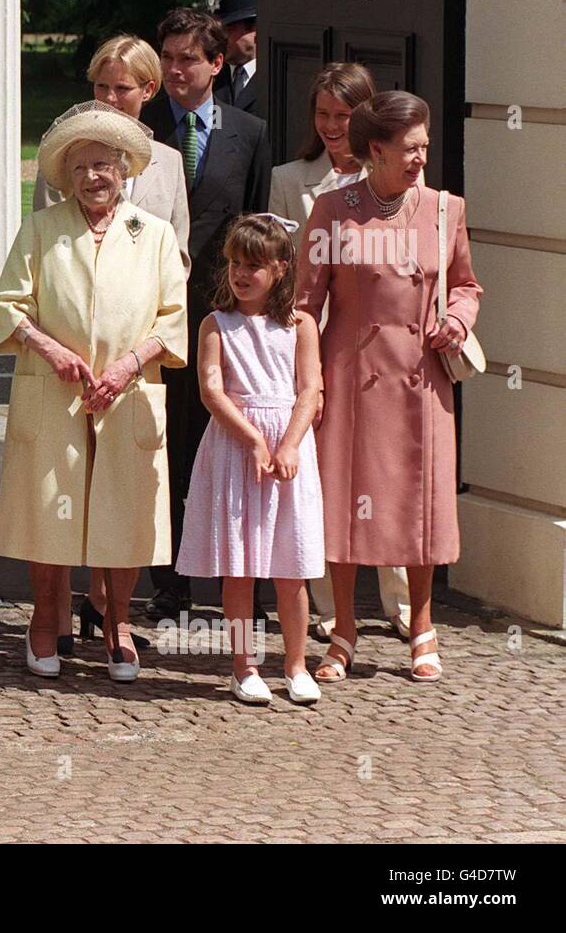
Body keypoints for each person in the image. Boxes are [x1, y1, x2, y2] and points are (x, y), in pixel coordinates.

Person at [0, 101, 188, 682]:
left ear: (125, 169)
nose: (93, 178)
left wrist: (130, 365)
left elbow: (173, 316)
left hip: (127, 392)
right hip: (55, 391)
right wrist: (51, 350)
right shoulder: (40, 229)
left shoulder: (152, 234)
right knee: (46, 507)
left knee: (125, 512)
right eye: (80, 168)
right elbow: (9, 308)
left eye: (103, 166)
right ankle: (45, 616)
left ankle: (118, 621)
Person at [296, 91, 482, 684]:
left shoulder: (443, 210)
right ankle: (344, 630)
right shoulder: (332, 209)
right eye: (409, 149)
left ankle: (422, 625)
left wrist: (456, 318)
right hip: (351, 376)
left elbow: (466, 286)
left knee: (418, 503)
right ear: (375, 149)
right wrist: (309, 381)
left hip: (421, 378)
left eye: (425, 147)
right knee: (347, 504)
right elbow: (305, 304)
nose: (420, 159)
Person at [32, 33, 189, 650]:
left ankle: (109, 608)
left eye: (120, 87)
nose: (107, 96)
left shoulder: (169, 164)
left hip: (136, 355)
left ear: (148, 91)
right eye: (99, 86)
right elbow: (51, 244)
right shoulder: (65, 149)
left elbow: (174, 249)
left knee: (124, 487)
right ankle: (62, 612)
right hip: (69, 364)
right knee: (67, 486)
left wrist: (135, 349)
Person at [270, 62, 412, 640]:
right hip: (314, 346)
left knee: (391, 471)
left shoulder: (399, 179)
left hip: (383, 349)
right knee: (324, 477)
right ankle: (330, 610)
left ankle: (401, 603)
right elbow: (281, 270)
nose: (331, 126)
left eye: (343, 115)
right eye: (322, 114)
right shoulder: (288, 178)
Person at [141, 7, 271, 623]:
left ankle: (235, 581)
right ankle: (167, 584)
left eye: (187, 58)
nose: (174, 70)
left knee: (222, 446)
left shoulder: (250, 131)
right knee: (164, 448)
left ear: (217, 64)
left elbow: (256, 227)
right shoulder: (140, 130)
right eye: (166, 57)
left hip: (223, 318)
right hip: (155, 318)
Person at [176, 215, 324, 705]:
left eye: (254, 265)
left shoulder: (301, 325)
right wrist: (254, 442)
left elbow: (309, 390)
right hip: (237, 451)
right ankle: (244, 666)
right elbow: (212, 390)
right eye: (236, 263)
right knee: (239, 568)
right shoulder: (217, 324)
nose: (241, 274)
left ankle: (297, 664)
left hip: (288, 455)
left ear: (280, 269)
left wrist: (287, 445)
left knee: (291, 566)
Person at [208, 0, 260, 118]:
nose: (218, 38)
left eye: (227, 29)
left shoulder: (278, 76)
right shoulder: (210, 77)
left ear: (255, 27)